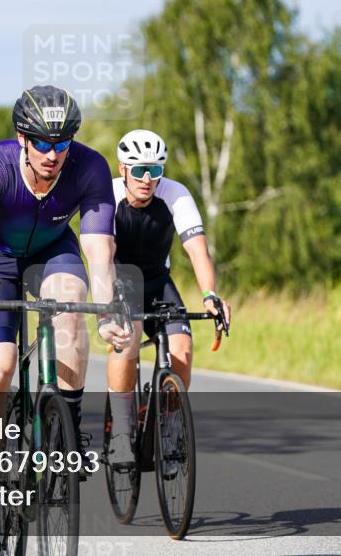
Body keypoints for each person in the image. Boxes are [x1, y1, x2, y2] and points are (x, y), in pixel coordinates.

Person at [0, 85, 130, 554]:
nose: (54, 154)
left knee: (71, 306)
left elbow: (98, 248)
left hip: (55, 251)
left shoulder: (90, 166)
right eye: (43, 144)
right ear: (22, 138)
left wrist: (109, 308)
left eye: (63, 143)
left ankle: (67, 426)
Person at [105, 129, 232, 469]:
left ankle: (168, 427)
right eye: (139, 170)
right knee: (127, 341)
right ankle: (120, 431)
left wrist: (209, 295)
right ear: (123, 169)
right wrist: (111, 301)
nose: (148, 179)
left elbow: (197, 250)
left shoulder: (175, 194)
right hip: (120, 280)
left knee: (183, 351)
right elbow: (103, 254)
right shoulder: (108, 194)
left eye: (156, 170)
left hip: (158, 282)